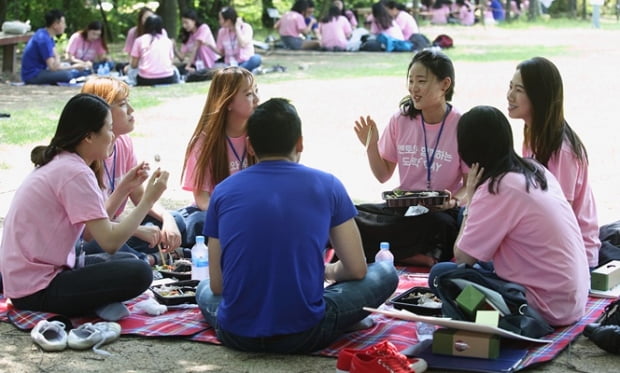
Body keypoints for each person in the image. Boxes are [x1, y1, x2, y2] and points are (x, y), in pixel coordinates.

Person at [195, 98, 399, 353]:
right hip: (305, 332)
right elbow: (357, 270)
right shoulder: (328, 185)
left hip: (237, 333)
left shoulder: (223, 191)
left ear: (249, 146)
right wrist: (328, 272)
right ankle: (344, 319)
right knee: (386, 272)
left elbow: (218, 285)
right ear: (300, 142)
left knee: (202, 287)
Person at [0, 93, 167, 319]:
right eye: (109, 129)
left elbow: (90, 234)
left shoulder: (65, 161)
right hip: (35, 288)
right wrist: (148, 199)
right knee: (139, 272)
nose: (113, 136)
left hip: (30, 277)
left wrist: (123, 189)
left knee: (129, 260)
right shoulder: (74, 171)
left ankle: (95, 301)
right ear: (89, 136)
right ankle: (93, 304)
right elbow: (109, 242)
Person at [429, 105, 589, 326]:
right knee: (476, 258)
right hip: (573, 300)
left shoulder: (496, 189)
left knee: (442, 276)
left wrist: (472, 202)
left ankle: (496, 321)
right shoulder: (535, 169)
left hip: (542, 309)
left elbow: (462, 257)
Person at [354, 49, 468, 266]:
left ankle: (394, 251)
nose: (414, 88)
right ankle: (417, 254)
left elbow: (471, 186)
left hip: (440, 214)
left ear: (445, 84)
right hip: (402, 210)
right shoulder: (401, 119)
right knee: (351, 214)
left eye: (421, 81)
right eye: (411, 80)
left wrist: (452, 201)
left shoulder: (461, 124)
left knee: (440, 225)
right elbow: (382, 175)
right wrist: (371, 146)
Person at [507, 57, 601, 268]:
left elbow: (560, 219)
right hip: (545, 245)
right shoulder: (534, 136)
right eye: (510, 87)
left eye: (519, 90)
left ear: (539, 97)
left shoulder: (562, 150)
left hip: (570, 257)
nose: (510, 95)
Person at [80, 76, 184, 265]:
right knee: (109, 250)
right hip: (89, 240)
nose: (131, 110)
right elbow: (89, 232)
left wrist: (167, 217)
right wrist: (135, 229)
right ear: (102, 112)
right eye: (122, 104)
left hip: (112, 230)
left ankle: (143, 259)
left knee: (175, 221)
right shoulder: (86, 155)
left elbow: (139, 197)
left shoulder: (123, 143)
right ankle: (147, 260)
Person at [180, 67, 259, 241]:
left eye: (256, 91)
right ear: (228, 102)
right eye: (248, 94)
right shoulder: (204, 143)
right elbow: (202, 200)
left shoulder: (260, 134)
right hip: (218, 212)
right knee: (199, 222)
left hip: (253, 210)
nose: (257, 99)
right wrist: (234, 217)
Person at [21, 9, 91, 85]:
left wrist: (59, 61)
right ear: (55, 25)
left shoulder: (46, 35)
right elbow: (53, 67)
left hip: (41, 70)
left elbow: (56, 56)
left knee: (68, 67)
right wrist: (74, 67)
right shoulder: (43, 39)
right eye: (63, 23)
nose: (65, 26)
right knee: (67, 74)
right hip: (32, 76)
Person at [130, 14, 178, 86]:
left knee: (131, 71)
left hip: (146, 79)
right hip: (167, 77)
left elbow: (133, 65)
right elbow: (171, 62)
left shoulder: (139, 40)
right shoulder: (168, 41)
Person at [211, 6, 262, 72]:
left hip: (245, 62)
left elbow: (243, 44)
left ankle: (234, 72)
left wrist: (237, 28)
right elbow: (221, 53)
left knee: (256, 59)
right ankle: (238, 71)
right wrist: (209, 45)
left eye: (221, 19)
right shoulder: (222, 32)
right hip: (229, 64)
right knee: (216, 66)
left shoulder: (246, 27)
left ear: (228, 20)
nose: (219, 21)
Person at [176, 9, 219, 76]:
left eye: (186, 22)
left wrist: (188, 66)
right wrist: (174, 48)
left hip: (210, 64)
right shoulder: (187, 36)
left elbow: (196, 46)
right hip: (196, 66)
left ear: (194, 21)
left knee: (191, 72)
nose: (184, 26)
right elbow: (182, 57)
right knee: (179, 70)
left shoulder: (204, 28)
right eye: (183, 23)